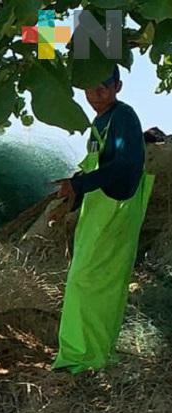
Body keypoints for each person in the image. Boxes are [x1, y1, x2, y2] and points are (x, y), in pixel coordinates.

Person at [52, 66, 153, 373]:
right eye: (89, 89)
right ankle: (79, 355)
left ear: (118, 86)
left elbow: (126, 166)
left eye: (103, 89)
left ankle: (88, 358)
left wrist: (80, 185)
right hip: (96, 215)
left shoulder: (123, 116)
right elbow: (98, 165)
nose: (96, 96)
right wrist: (72, 199)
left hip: (115, 213)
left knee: (94, 284)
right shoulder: (101, 120)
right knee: (84, 283)